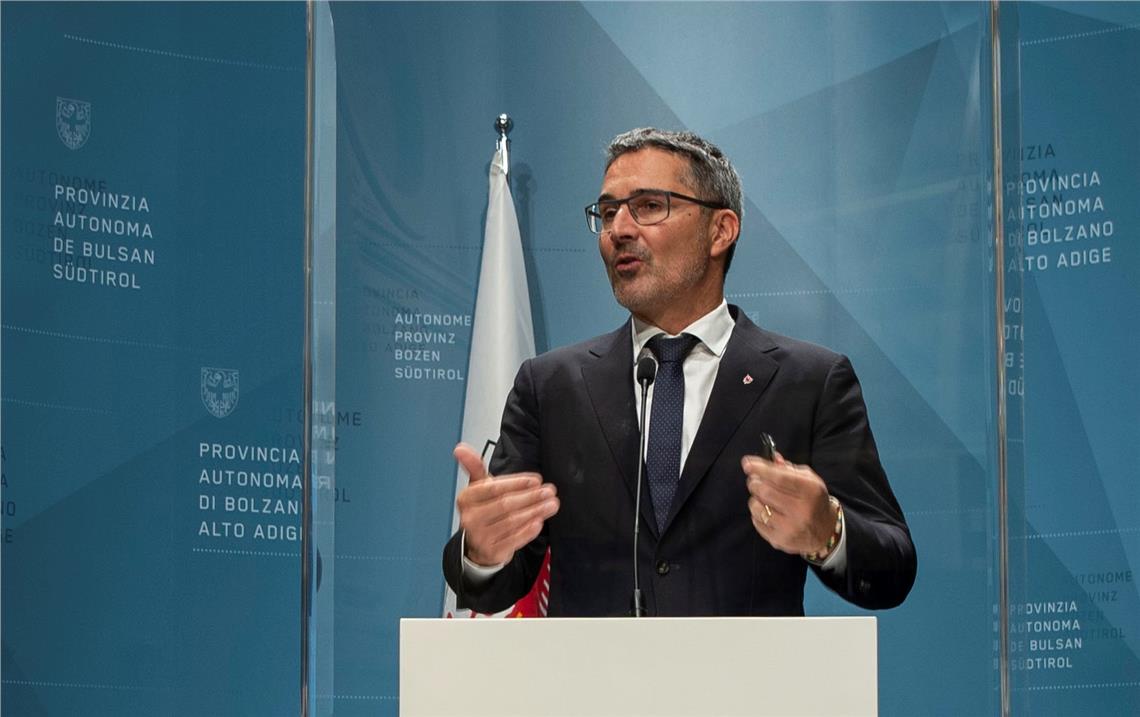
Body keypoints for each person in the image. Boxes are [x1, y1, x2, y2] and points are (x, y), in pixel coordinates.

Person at [442, 127, 916, 616]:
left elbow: (892, 570)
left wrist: (827, 531)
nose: (619, 230)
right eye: (608, 212)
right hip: (591, 669)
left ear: (720, 231)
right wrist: (482, 551)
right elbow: (490, 586)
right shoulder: (550, 387)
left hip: (747, 669)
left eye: (649, 206)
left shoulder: (809, 381)